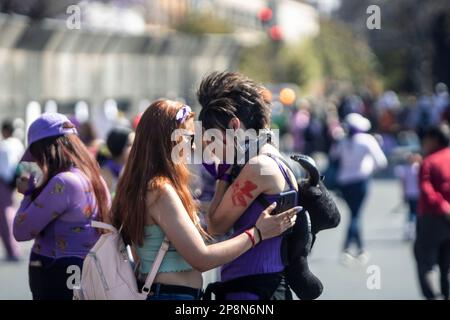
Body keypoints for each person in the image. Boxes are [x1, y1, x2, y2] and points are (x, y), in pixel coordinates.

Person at [111, 100, 299, 301]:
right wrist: (258, 233)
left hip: (164, 292)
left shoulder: (145, 185)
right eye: (189, 138)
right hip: (169, 295)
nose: (193, 147)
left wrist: (223, 178)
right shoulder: (160, 190)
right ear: (168, 141)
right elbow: (202, 258)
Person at [197, 72, 300, 300]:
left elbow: (216, 225)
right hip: (264, 285)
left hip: (251, 290)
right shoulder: (273, 156)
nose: (211, 150)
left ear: (234, 125)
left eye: (212, 138)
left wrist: (223, 174)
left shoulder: (257, 167)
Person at [13, 113, 110, 300]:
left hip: (58, 273)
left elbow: (20, 230)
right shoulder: (92, 176)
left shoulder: (63, 183)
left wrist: (27, 193)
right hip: (88, 270)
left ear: (43, 150)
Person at [331, 113, 387, 264]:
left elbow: (333, 156)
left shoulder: (342, 141)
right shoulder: (367, 140)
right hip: (361, 181)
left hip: (344, 183)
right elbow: (381, 162)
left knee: (354, 214)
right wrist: (368, 168)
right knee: (356, 215)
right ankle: (349, 249)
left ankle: (359, 248)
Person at [414, 125, 450, 300]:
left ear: (434, 140)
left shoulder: (429, 161)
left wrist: (443, 206)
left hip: (432, 217)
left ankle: (433, 297)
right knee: (447, 266)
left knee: (426, 264)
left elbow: (426, 190)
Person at [0, 120, 24, 261]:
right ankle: (14, 248)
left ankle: (12, 249)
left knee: (5, 216)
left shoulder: (4, 146)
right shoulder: (18, 143)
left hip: (5, 182)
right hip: (16, 182)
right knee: (11, 212)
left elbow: (5, 167)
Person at [394, 153, 422, 240]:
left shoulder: (405, 169)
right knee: (416, 213)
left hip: (411, 194)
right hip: (417, 194)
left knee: (411, 213)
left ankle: (410, 231)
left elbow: (403, 183)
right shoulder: (418, 168)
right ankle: (413, 231)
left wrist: (404, 194)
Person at [99, 127, 134, 194]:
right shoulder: (105, 175)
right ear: (119, 146)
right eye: (130, 145)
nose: (135, 148)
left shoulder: (131, 170)